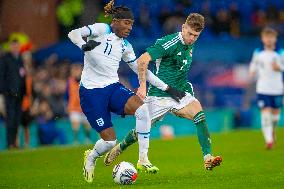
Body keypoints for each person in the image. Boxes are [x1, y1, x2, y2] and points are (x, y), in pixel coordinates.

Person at [68, 0, 184, 182]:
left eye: (131, 24)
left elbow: (142, 70)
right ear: (115, 21)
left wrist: (167, 88)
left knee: (142, 109)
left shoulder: (125, 46)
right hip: (91, 92)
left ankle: (143, 159)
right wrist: (82, 46)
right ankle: (91, 156)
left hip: (113, 87)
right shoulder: (101, 29)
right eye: (126, 23)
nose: (129, 28)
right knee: (109, 142)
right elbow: (73, 33)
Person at [104, 13, 222, 171]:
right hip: (158, 95)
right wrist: (142, 86)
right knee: (141, 131)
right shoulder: (169, 42)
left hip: (179, 93)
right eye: (190, 34)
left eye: (196, 36)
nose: (192, 38)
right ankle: (121, 147)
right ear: (183, 28)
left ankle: (207, 157)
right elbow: (142, 60)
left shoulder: (190, 43)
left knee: (199, 114)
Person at [249, 27, 283, 150]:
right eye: (266, 37)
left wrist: (278, 67)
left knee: (275, 116)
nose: (269, 39)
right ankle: (269, 141)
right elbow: (253, 65)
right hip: (263, 88)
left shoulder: (280, 52)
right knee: (265, 114)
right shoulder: (258, 52)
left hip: (277, 88)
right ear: (263, 39)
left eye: (271, 37)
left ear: (275, 38)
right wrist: (252, 72)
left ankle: (273, 131)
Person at [0, 39, 26, 149]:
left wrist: (24, 92)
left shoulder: (20, 59)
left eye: (17, 46)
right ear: (10, 47)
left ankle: (14, 143)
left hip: (19, 94)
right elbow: (1, 76)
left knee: (17, 118)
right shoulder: (5, 59)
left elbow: (23, 76)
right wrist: (3, 91)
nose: (15, 48)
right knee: (10, 118)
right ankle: (9, 143)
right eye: (14, 46)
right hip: (9, 94)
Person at [66, 64, 91, 144]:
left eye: (78, 71)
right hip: (73, 107)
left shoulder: (85, 81)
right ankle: (76, 140)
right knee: (75, 124)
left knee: (87, 124)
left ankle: (87, 139)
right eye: (74, 71)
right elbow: (66, 95)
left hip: (84, 106)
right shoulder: (69, 81)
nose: (76, 73)